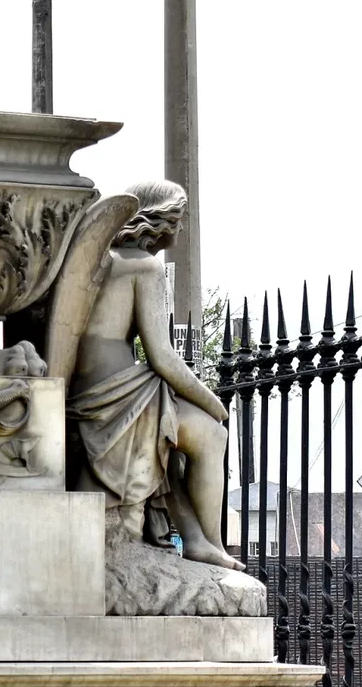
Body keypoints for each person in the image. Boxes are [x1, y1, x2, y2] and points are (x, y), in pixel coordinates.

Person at [65, 180, 241, 570]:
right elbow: (161, 356)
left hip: (89, 391)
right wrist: (212, 403)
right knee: (212, 434)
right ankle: (211, 545)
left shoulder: (97, 260)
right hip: (120, 394)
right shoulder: (145, 267)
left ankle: (194, 538)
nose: (181, 228)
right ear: (161, 219)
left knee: (168, 446)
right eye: (180, 218)